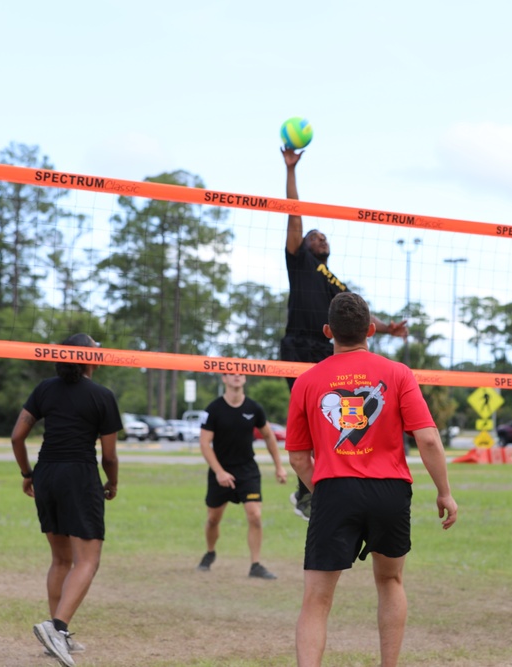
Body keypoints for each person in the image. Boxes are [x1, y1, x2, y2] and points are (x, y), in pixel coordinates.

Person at [285, 292, 458, 667]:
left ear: (328, 331)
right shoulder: (397, 373)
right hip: (390, 490)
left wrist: (328, 490)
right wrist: (445, 492)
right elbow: (427, 438)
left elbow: (298, 456)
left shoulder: (306, 381)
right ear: (371, 330)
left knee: (316, 600)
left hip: (333, 488)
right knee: (390, 582)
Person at [280, 147, 407, 521]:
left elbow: (358, 316)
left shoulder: (335, 281)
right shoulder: (299, 260)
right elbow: (294, 218)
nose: (321, 239)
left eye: (324, 237)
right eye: (314, 236)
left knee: (339, 420)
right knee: (309, 422)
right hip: (298, 348)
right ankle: (309, 493)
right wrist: (291, 172)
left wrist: (387, 328)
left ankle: (333, 486)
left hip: (327, 350)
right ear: (303, 245)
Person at [10, 333, 121, 667]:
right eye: (97, 353)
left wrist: (27, 473)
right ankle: (56, 627)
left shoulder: (45, 388)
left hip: (46, 474)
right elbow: (110, 457)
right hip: (79, 475)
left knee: (61, 560)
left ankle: (57, 636)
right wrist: (112, 483)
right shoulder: (102, 396)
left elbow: (17, 435)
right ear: (88, 358)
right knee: (87, 560)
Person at [197, 373, 288, 579]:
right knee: (213, 519)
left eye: (241, 373)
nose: (237, 376)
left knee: (255, 516)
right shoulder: (214, 409)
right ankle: (210, 553)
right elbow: (204, 444)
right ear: (224, 379)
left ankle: (255, 565)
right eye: (232, 373)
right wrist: (219, 472)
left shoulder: (254, 408)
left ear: (245, 379)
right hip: (220, 471)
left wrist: (279, 466)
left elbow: (268, 436)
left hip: (247, 471)